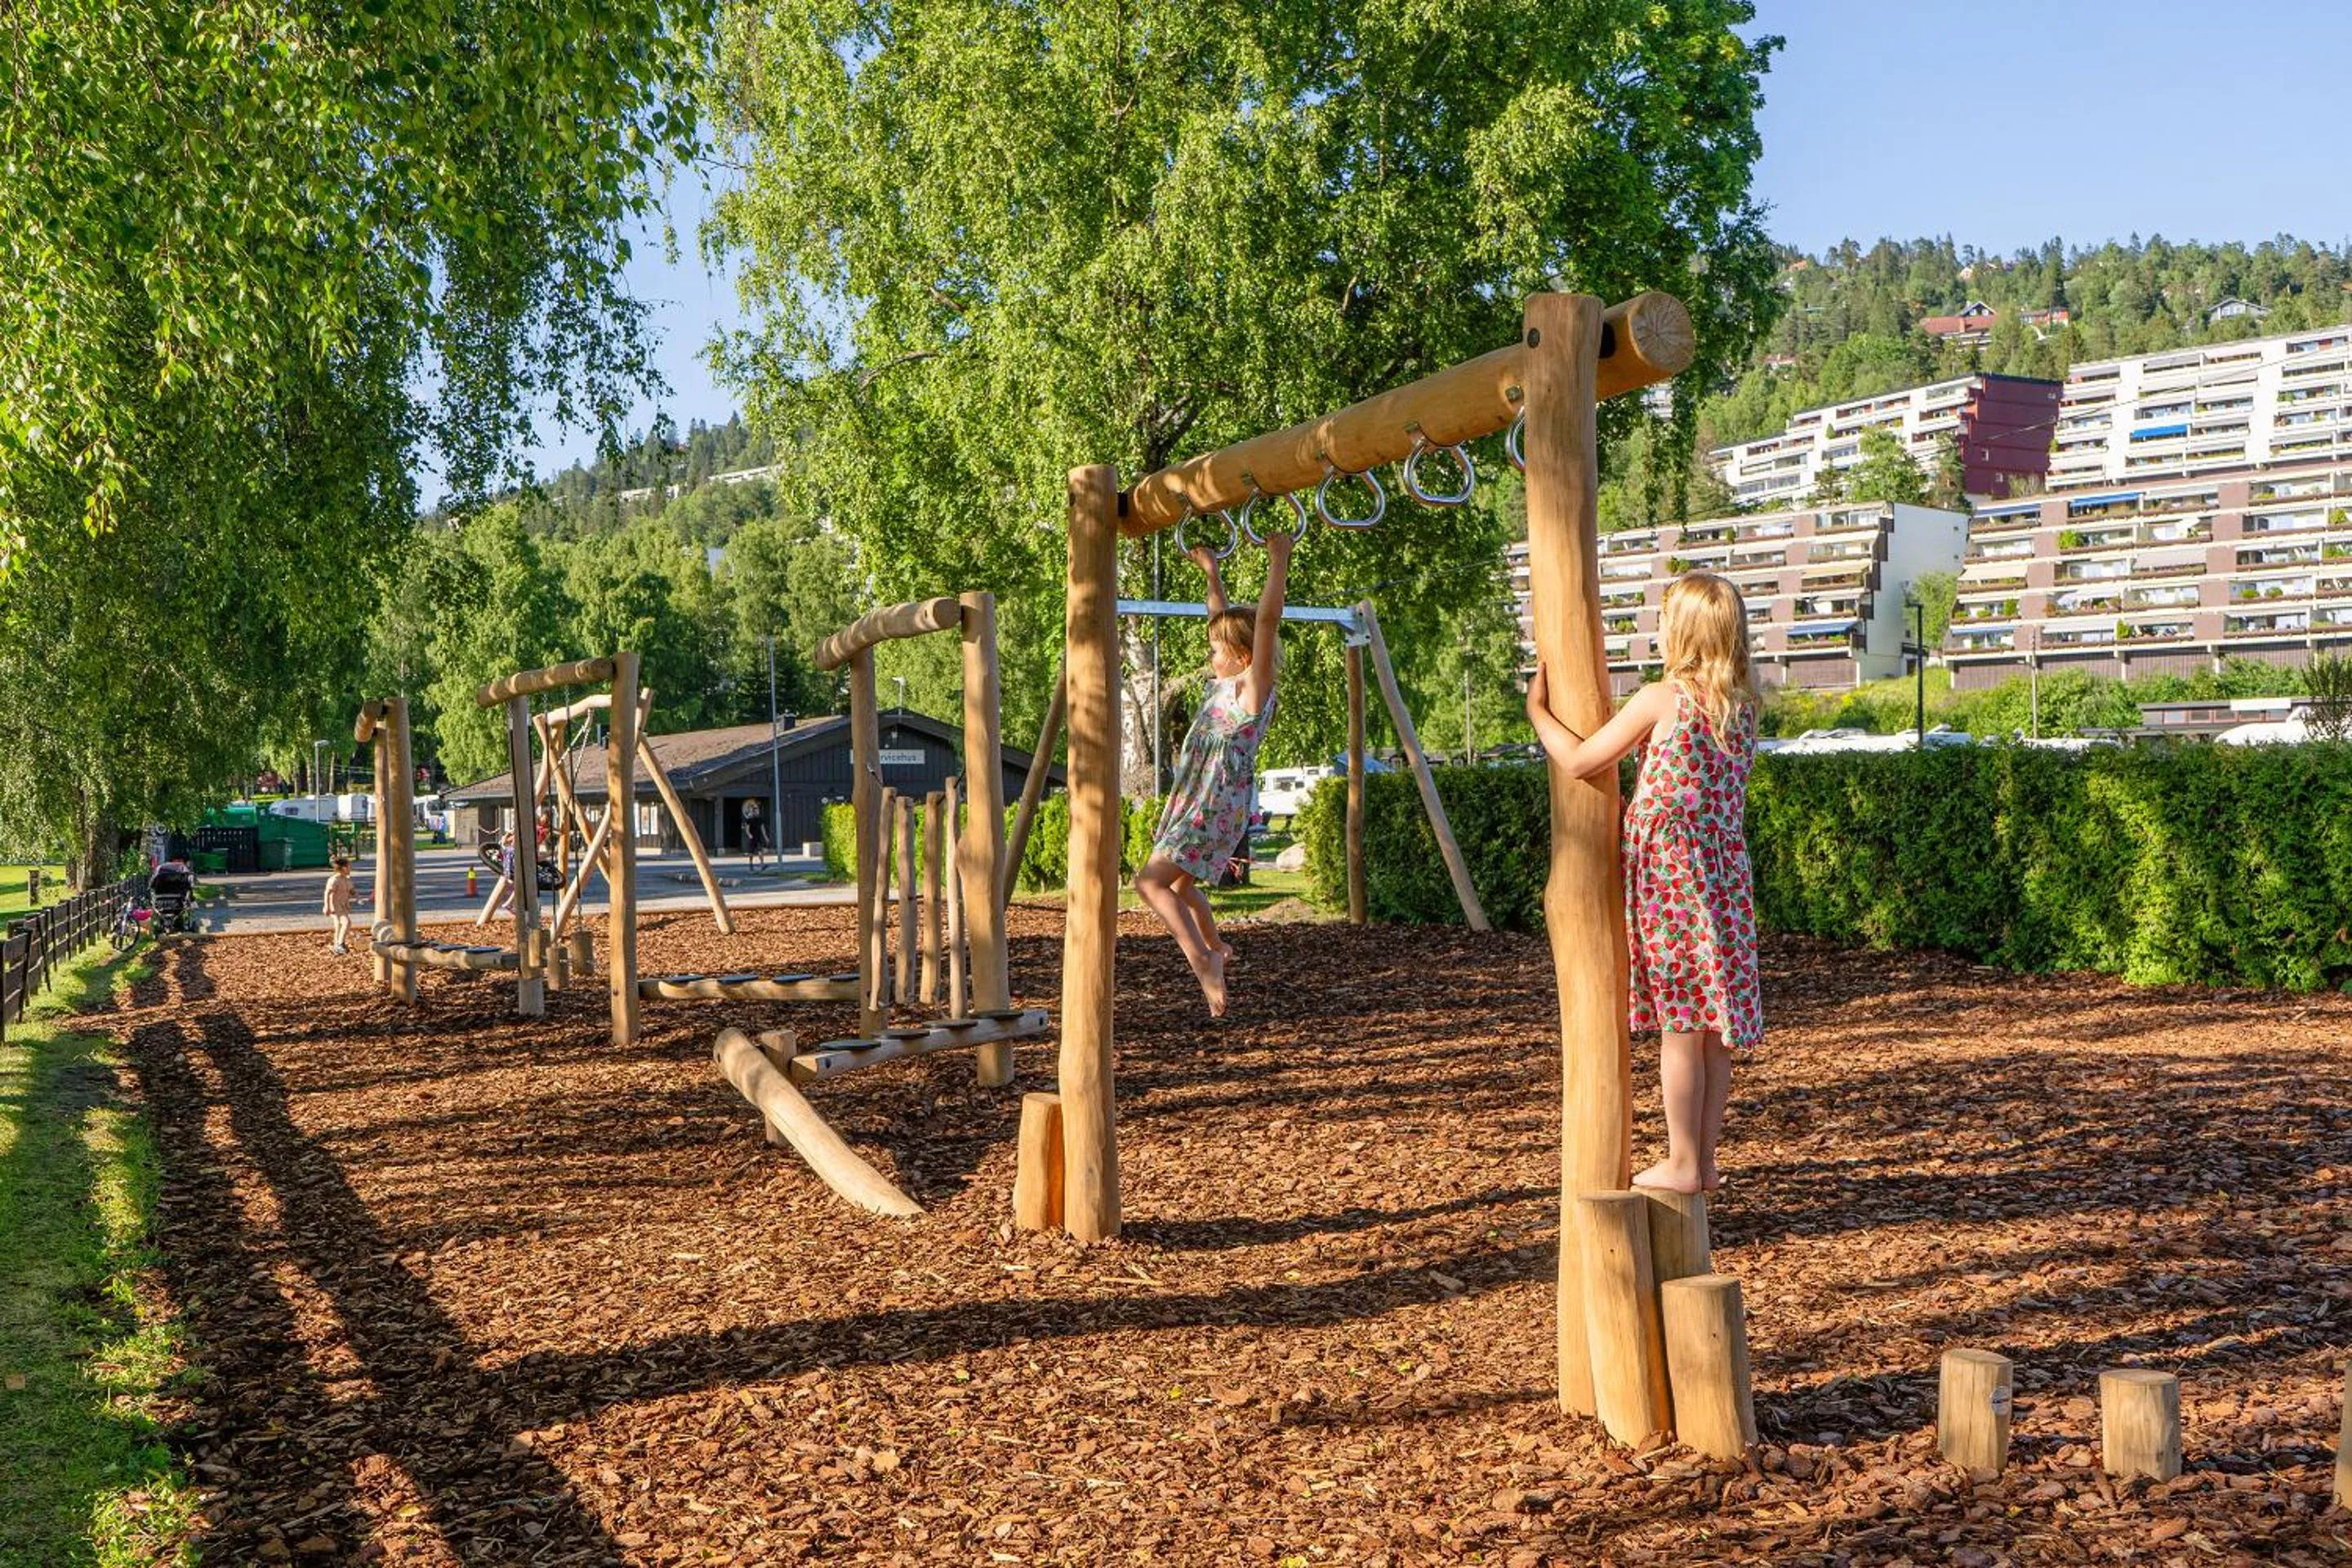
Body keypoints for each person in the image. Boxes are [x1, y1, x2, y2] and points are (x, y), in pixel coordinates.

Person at [1524, 570, 1761, 1195]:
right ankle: (1703, 1161)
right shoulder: (1740, 708)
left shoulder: (1666, 698)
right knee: (1712, 1033)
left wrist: (1537, 712)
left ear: (1680, 632)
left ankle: (1683, 1161)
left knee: (1682, 1023)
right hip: (1723, 881)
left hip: (1674, 879)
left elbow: (1580, 760)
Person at [1134, 528, 1294, 1016]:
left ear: (1242, 657)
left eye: (1217, 651)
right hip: (1198, 798)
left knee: (1151, 884)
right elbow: (1218, 618)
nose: (1211, 657)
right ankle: (1217, 947)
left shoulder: (1252, 690)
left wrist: (1278, 559)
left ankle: (1202, 957)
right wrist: (1211, 572)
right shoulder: (1225, 686)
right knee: (1181, 886)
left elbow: (1264, 623)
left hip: (1213, 801)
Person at [323, 855, 356, 955]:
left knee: (338, 925)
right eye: (349, 867)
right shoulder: (334, 880)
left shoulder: (346, 879)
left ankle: (336, 945)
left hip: (343, 905)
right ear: (344, 868)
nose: (351, 869)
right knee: (346, 923)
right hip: (335, 906)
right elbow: (328, 893)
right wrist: (327, 906)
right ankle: (340, 944)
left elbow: (350, 891)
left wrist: (354, 898)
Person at [742, 798, 768, 869]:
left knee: (760, 851)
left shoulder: (760, 819)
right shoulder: (749, 820)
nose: (757, 812)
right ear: (753, 812)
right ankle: (751, 864)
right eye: (755, 811)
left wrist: (766, 837)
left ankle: (762, 865)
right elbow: (747, 829)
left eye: (757, 811)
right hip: (752, 837)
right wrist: (749, 835)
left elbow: (763, 829)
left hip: (758, 837)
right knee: (751, 852)